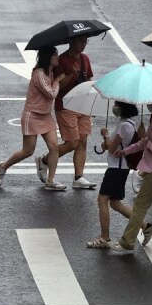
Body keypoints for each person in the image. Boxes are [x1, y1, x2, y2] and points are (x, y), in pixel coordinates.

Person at [0, 46, 67, 191]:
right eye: (55, 55)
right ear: (48, 58)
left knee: (54, 148)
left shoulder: (51, 73)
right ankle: (2, 167)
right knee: (28, 151)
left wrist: (59, 76)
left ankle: (50, 181)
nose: (57, 58)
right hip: (32, 115)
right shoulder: (39, 74)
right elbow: (51, 94)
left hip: (45, 115)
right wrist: (58, 80)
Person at [109, 104, 152, 253]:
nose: (149, 107)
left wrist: (144, 137)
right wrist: (125, 151)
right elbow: (144, 143)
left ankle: (127, 241)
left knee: (140, 205)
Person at [87, 102, 152, 248]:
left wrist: (105, 135)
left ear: (123, 108)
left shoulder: (125, 126)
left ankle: (104, 237)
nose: (115, 107)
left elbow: (112, 148)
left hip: (116, 168)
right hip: (119, 168)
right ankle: (145, 225)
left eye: (117, 105)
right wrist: (106, 141)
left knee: (102, 199)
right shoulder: (126, 123)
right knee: (115, 203)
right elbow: (113, 145)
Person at [36, 35, 96, 190]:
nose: (83, 45)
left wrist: (93, 100)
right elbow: (58, 87)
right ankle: (44, 161)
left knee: (83, 140)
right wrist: (71, 75)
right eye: (80, 41)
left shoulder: (85, 59)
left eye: (85, 42)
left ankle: (79, 177)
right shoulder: (61, 61)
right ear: (71, 42)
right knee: (72, 143)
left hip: (83, 105)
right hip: (66, 106)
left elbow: (89, 79)